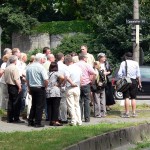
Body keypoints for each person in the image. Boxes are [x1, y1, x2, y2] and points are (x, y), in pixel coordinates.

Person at [26, 53, 48, 127]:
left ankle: (30, 121)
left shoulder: (29, 67)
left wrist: (29, 88)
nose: (44, 60)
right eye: (43, 59)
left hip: (32, 87)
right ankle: (37, 122)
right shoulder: (41, 67)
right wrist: (46, 86)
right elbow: (46, 79)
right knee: (40, 105)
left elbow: (27, 80)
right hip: (39, 87)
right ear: (41, 59)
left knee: (34, 104)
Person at [118, 52, 141, 118]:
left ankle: (127, 113)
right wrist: (139, 83)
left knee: (126, 97)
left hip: (126, 81)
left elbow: (119, 74)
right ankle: (134, 113)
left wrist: (121, 78)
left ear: (126, 57)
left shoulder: (123, 63)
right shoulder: (136, 63)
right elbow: (138, 74)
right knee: (133, 98)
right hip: (134, 81)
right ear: (132, 57)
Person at [75, 53, 96, 122]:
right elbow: (94, 73)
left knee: (79, 101)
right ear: (84, 58)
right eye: (86, 58)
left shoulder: (75, 65)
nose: (87, 59)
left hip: (78, 84)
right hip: (86, 84)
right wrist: (92, 81)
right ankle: (87, 118)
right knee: (87, 101)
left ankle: (79, 117)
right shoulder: (87, 65)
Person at [4, 55, 23, 123]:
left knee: (10, 102)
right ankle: (16, 118)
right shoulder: (14, 68)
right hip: (14, 86)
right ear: (15, 61)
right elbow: (16, 79)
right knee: (16, 103)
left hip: (9, 86)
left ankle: (9, 118)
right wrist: (20, 87)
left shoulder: (7, 68)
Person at [65, 55, 82, 126]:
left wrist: (72, 83)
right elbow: (81, 77)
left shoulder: (67, 68)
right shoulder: (78, 68)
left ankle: (73, 121)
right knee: (77, 105)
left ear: (67, 61)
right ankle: (79, 121)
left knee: (71, 105)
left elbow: (67, 77)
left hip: (70, 87)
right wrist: (79, 85)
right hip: (77, 87)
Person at [46, 62, 64, 126]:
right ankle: (55, 120)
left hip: (48, 91)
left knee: (49, 106)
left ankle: (51, 120)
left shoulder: (47, 73)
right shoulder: (56, 73)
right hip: (55, 91)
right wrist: (58, 84)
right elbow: (62, 77)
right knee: (56, 106)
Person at [56, 52, 69, 124]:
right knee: (63, 102)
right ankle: (64, 118)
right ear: (62, 58)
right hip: (63, 85)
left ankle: (58, 117)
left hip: (56, 85)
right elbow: (66, 77)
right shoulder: (64, 66)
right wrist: (63, 84)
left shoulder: (55, 65)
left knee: (57, 102)